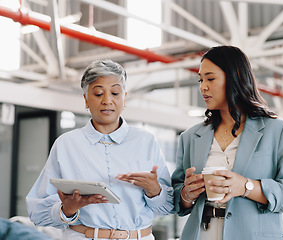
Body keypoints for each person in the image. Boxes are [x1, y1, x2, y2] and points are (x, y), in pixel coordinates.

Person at [171, 45, 283, 240]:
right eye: (200, 79)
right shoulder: (190, 137)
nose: (203, 86)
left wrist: (246, 187)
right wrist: (187, 194)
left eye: (210, 78)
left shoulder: (278, 131)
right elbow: (176, 200)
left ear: (235, 77)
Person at [26, 59, 174, 240]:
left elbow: (169, 206)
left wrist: (155, 190)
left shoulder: (146, 141)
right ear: (86, 99)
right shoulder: (66, 144)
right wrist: (67, 209)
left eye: (115, 93)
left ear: (124, 97)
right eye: (98, 94)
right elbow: (36, 212)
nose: (107, 101)